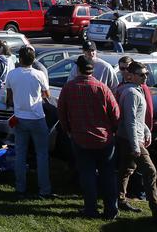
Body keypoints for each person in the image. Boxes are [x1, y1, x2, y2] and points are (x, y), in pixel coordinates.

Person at [57, 55, 120, 220]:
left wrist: (68, 130)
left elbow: (61, 113)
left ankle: (90, 209)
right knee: (108, 174)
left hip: (80, 139)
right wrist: (112, 130)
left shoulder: (69, 88)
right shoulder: (102, 88)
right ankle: (110, 210)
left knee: (87, 175)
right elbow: (116, 114)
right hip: (103, 139)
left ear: (78, 69)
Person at [115, 61, 157, 221]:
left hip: (131, 137)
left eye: (146, 74)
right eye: (142, 74)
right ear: (132, 75)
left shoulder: (137, 90)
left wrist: (147, 130)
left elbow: (138, 118)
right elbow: (130, 121)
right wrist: (136, 145)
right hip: (131, 139)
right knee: (150, 171)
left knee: (126, 169)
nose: (145, 77)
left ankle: (119, 199)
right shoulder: (131, 93)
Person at [5, 46, 53, 199]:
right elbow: (47, 94)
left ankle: (20, 187)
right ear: (33, 60)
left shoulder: (12, 74)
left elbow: (9, 97)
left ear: (19, 59)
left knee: (20, 153)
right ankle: (44, 189)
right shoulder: (38, 74)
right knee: (42, 154)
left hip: (20, 117)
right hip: (37, 117)